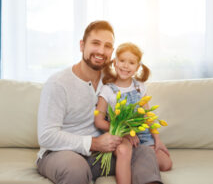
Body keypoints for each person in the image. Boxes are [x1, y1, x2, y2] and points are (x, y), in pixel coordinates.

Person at [37, 20, 163, 184]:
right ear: (82, 45)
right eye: (95, 43)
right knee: (75, 169)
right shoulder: (58, 84)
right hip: (62, 153)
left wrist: (128, 132)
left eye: (108, 46)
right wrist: (94, 143)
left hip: (104, 154)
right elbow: (46, 136)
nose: (101, 51)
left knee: (144, 152)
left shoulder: (113, 81)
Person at [94, 42, 172, 184]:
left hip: (142, 136)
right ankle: (127, 160)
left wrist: (157, 139)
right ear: (115, 62)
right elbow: (98, 121)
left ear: (137, 67)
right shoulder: (107, 90)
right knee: (125, 151)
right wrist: (122, 132)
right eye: (122, 60)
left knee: (166, 164)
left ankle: (135, 161)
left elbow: (148, 115)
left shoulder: (139, 87)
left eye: (131, 62)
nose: (125, 66)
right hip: (121, 136)